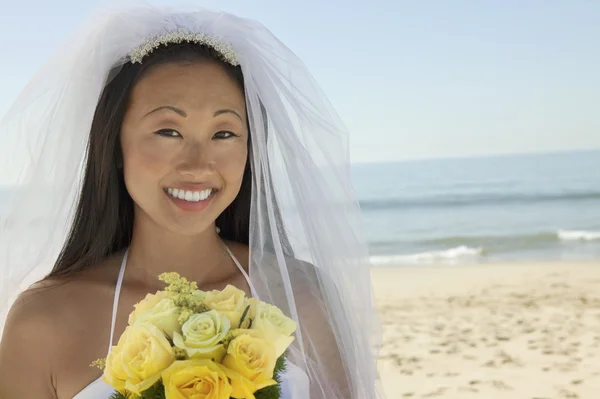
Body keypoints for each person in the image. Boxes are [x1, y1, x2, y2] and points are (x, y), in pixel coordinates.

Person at [0, 4, 383, 398]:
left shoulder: (304, 295)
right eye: (169, 130)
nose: (199, 164)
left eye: (224, 134)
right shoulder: (42, 322)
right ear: (113, 144)